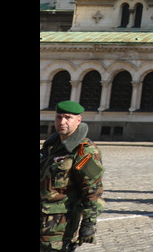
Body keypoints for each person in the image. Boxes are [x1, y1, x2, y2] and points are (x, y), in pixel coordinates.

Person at [40, 100, 105, 251]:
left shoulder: (85, 151)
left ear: (78, 120)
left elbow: (92, 190)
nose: (62, 122)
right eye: (59, 117)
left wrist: (88, 224)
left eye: (68, 117)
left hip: (59, 227)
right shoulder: (50, 147)